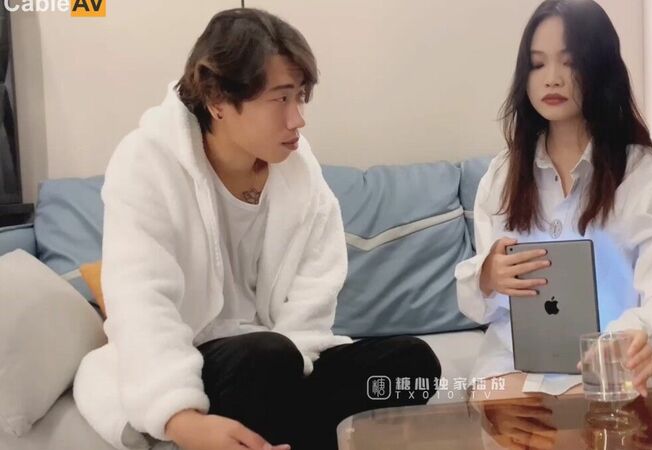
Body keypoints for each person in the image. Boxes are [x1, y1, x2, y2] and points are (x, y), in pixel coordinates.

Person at [74, 8, 440, 450]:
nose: (297, 119)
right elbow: (142, 303)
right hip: (200, 365)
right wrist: (183, 421)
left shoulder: (299, 172)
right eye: (280, 99)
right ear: (217, 100)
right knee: (265, 357)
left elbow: (314, 295)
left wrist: (298, 366)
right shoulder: (147, 163)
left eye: (300, 97)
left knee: (412, 363)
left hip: (286, 360)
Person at [455, 0, 652, 406]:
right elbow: (484, 308)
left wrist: (640, 336)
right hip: (513, 367)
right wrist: (487, 276)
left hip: (611, 371)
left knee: (590, 413)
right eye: (537, 64)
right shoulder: (503, 175)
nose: (552, 79)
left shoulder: (645, 176)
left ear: (600, 68)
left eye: (570, 62)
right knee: (502, 411)